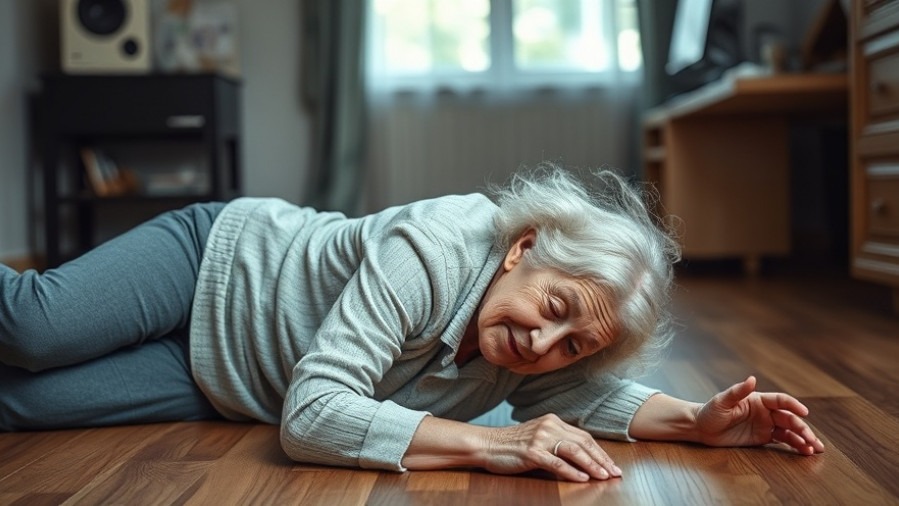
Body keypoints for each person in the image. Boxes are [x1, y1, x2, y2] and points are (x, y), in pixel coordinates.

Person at [0, 163, 824, 482]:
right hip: (213, 263)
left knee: (20, 403)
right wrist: (495, 443)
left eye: (572, 341)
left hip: (219, 375)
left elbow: (578, 395)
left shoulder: (536, 352)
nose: (542, 344)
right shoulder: (432, 248)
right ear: (523, 249)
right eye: (554, 308)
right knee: (34, 331)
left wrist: (697, 421)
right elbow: (312, 414)